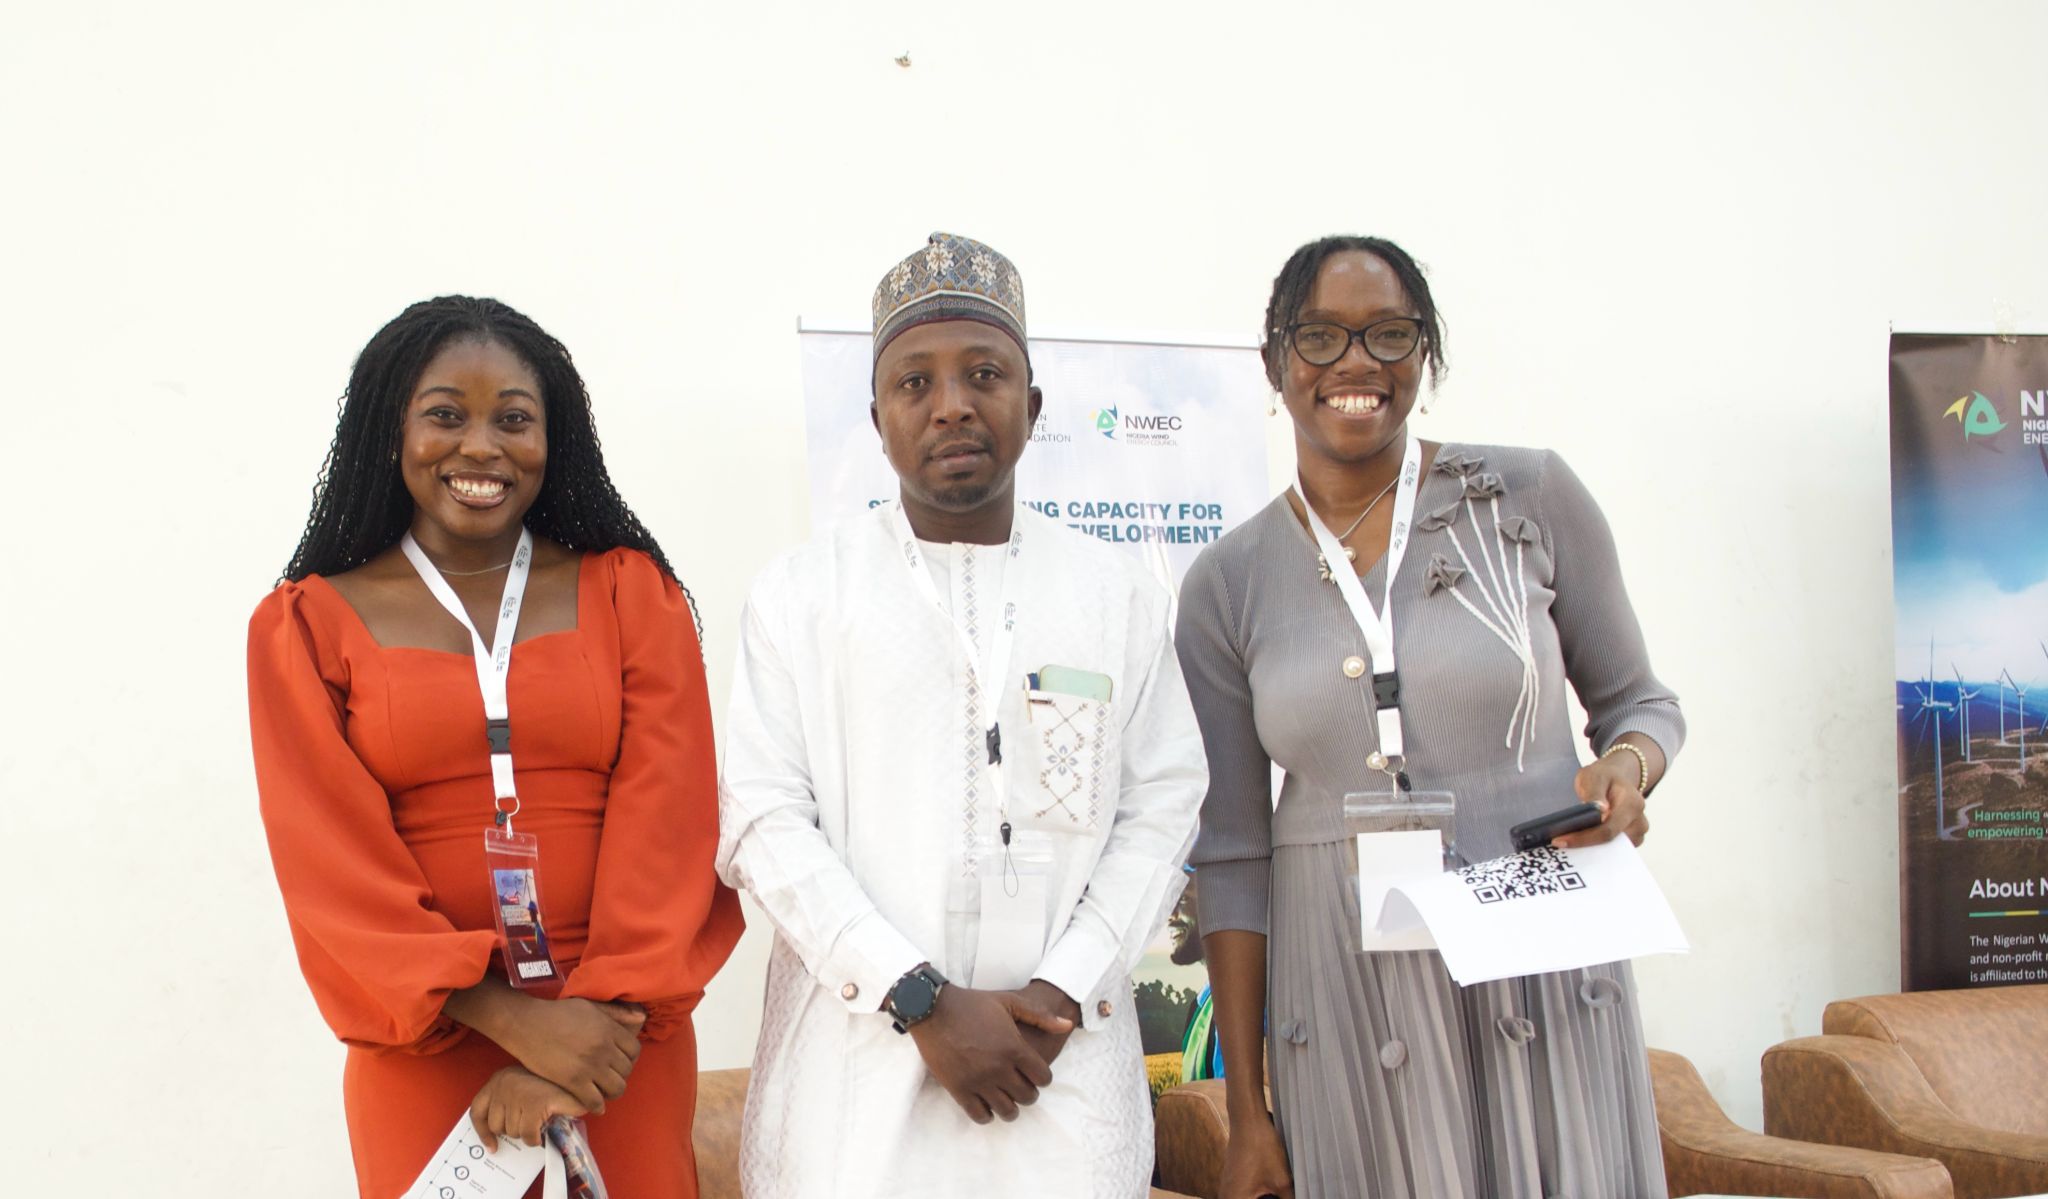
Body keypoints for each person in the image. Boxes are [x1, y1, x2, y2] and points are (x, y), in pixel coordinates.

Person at [1177, 236, 1683, 1199]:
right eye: (1320, 336)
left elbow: (1641, 704)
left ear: (1426, 353)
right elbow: (1232, 852)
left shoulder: (1530, 497)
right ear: (1276, 364)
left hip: (1538, 942)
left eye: (1388, 333)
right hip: (1345, 986)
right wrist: (1247, 1111)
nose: (1356, 362)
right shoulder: (1226, 583)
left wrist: (1627, 767)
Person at [716, 232, 1208, 1197]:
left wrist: (1061, 987)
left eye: (984, 374)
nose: (951, 404)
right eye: (915, 382)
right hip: (856, 1091)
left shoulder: (1114, 594)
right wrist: (919, 996)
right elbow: (764, 820)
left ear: (1032, 405)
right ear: (877, 418)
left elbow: (1163, 805)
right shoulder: (803, 594)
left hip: (1062, 1078)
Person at [247, 296, 743, 1198]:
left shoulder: (632, 593)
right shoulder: (307, 623)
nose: (481, 447)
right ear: (391, 430)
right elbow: (326, 862)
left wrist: (590, 1027)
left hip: (619, 1038)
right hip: (429, 1035)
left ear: (554, 439)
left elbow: (673, 816)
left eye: (514, 419)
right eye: (445, 414)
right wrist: (506, 1015)